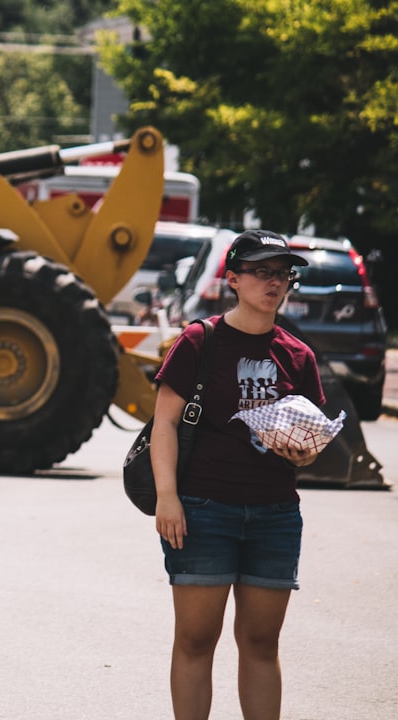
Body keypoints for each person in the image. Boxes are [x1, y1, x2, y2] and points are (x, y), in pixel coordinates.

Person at [151, 229, 324, 720]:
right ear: (233, 279)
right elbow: (164, 422)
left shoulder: (298, 355)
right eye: (262, 272)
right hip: (204, 509)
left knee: (261, 643)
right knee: (196, 639)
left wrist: (302, 454)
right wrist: (168, 496)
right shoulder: (199, 341)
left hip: (275, 515)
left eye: (283, 274)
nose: (275, 283)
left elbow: (309, 441)